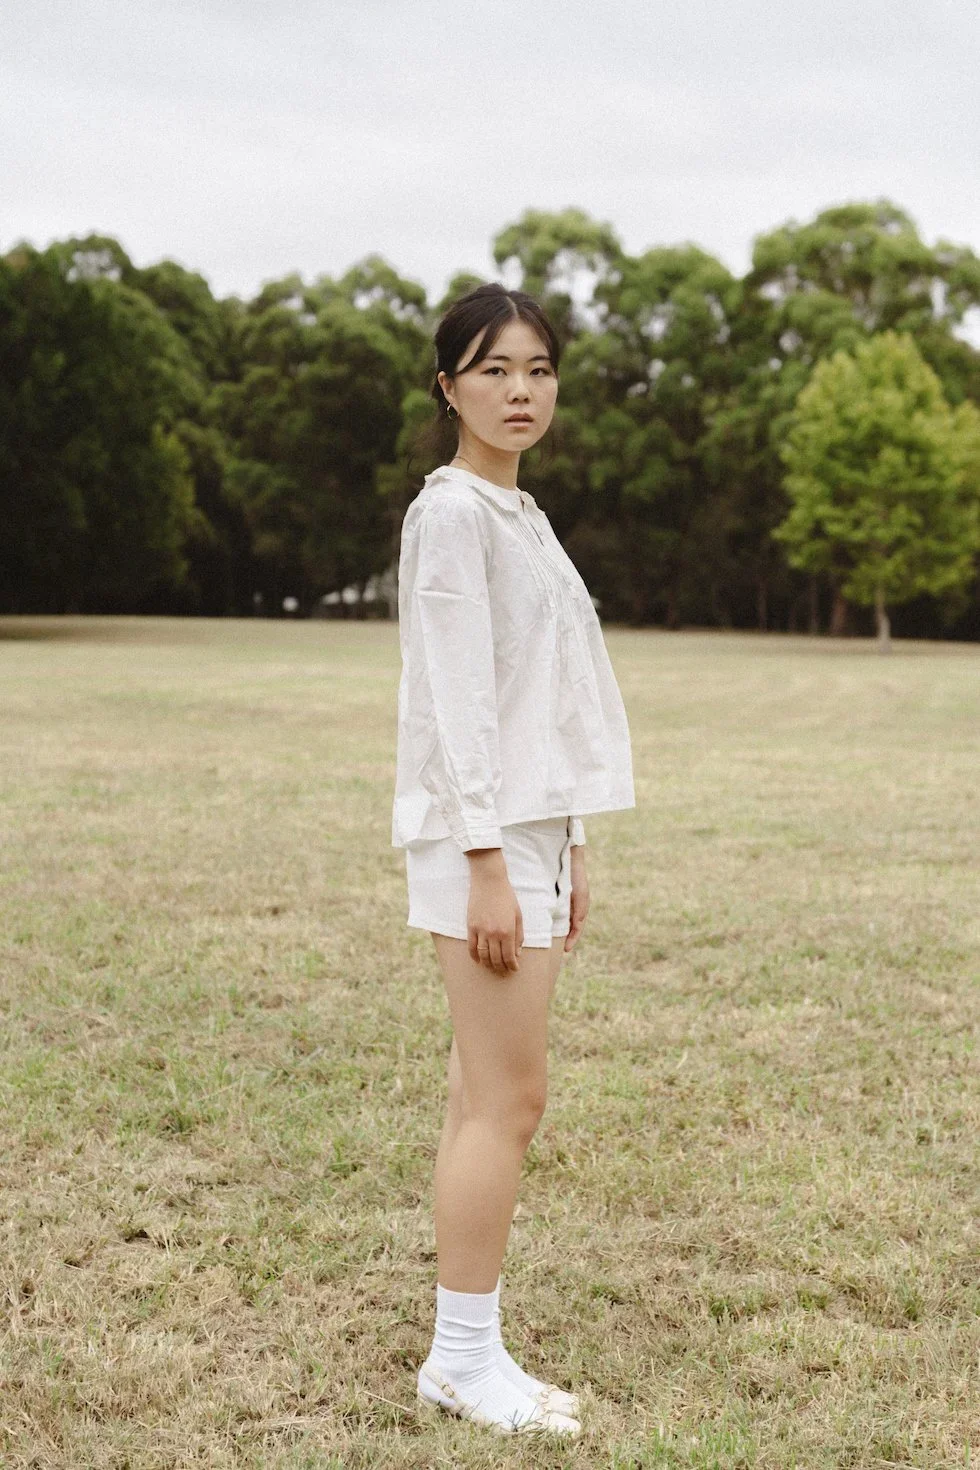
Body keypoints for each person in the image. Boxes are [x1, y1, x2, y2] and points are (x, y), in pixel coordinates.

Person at [391, 283, 635, 1437]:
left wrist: (570, 839)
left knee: (478, 1096)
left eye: (537, 369)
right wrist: (488, 861)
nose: (519, 390)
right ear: (449, 388)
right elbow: (457, 705)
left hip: (527, 832)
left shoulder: (519, 512)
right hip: (476, 838)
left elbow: (548, 697)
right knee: (507, 1101)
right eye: (493, 369)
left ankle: (465, 1352)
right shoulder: (450, 514)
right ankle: (460, 1362)